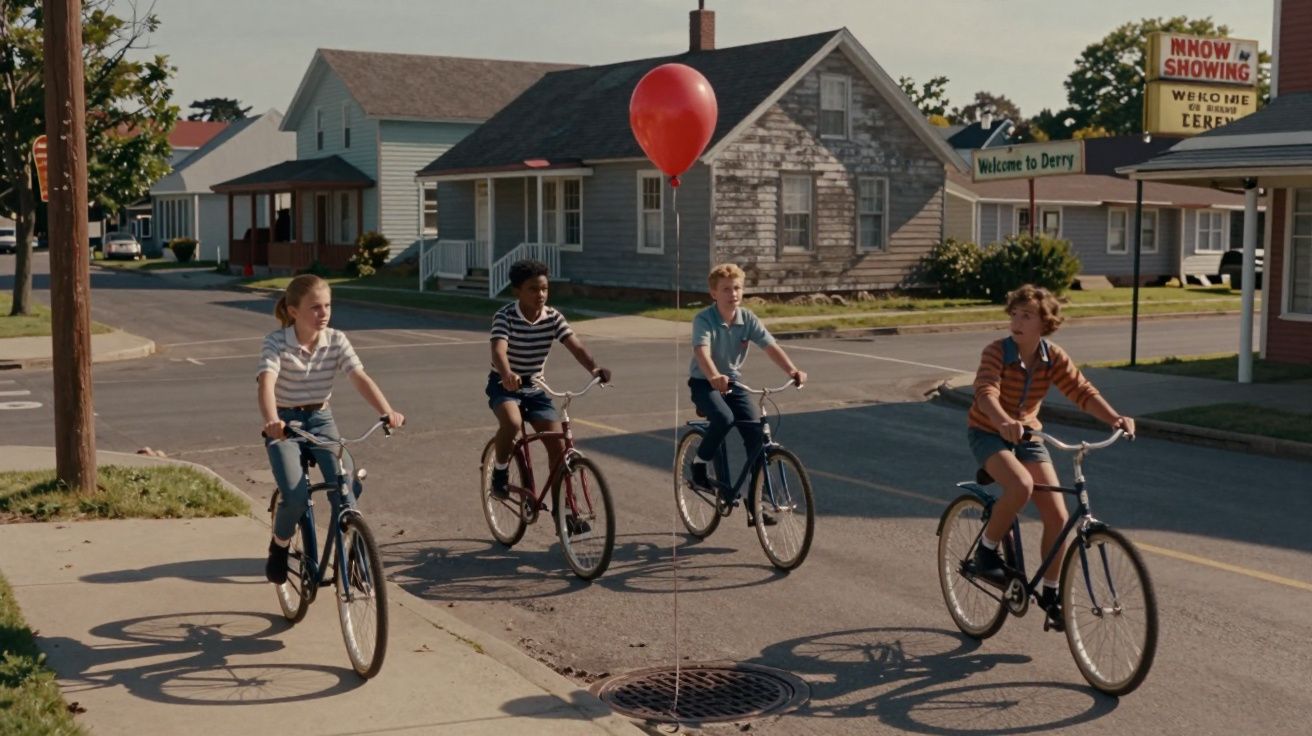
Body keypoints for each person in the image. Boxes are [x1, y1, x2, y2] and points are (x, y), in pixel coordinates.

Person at [967, 283, 1135, 630]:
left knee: (1058, 518)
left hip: (1029, 435)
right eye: (1014, 314)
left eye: (1027, 315)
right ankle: (985, 551)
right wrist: (1002, 421)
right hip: (988, 431)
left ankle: (1051, 593)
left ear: (1044, 323)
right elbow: (985, 391)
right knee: (1021, 486)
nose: (1017, 321)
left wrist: (1115, 418)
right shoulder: (996, 352)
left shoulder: (1052, 357)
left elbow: (1081, 391)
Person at [257, 274, 405, 584]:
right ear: (294, 311)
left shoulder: (336, 339)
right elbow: (267, 382)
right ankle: (280, 546)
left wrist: (386, 411)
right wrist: (272, 420)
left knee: (347, 486)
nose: (323, 313)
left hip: (322, 420)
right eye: (314, 307)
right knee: (295, 496)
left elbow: (359, 376)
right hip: (285, 424)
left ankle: (351, 554)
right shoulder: (276, 342)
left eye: (327, 306)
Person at [687, 264, 806, 524]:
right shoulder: (704, 319)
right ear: (714, 293)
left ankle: (755, 505)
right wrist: (713, 376)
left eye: (738, 288)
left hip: (734, 384)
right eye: (726, 289)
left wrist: (792, 370)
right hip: (704, 383)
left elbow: (770, 346)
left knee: (757, 438)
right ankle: (698, 465)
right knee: (723, 418)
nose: (733, 294)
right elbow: (702, 352)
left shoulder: (747, 319)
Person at [487, 260, 610, 510]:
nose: (540, 294)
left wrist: (594, 369)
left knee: (559, 447)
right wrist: (508, 373)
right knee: (511, 423)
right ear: (517, 291)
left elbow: (577, 347)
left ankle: (565, 511)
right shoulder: (505, 316)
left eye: (544, 288)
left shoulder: (553, 317)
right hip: (504, 384)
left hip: (535, 386)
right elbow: (499, 351)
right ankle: (500, 471)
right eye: (533, 289)